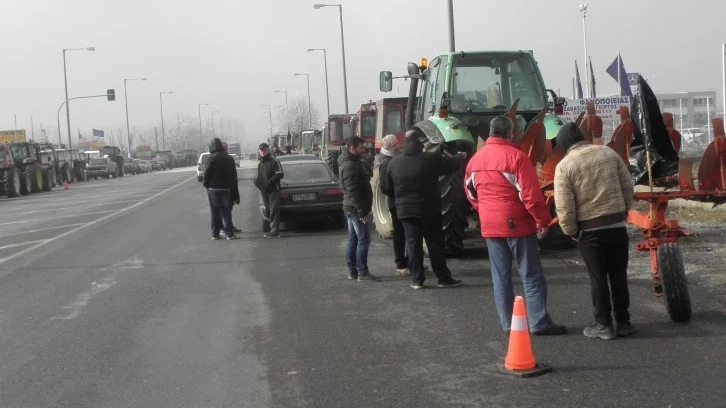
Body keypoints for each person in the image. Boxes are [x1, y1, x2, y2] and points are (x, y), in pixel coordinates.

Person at [465, 116, 565, 335]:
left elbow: (471, 192)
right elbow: (531, 196)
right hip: (517, 224)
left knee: (500, 277)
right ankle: (539, 322)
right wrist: (542, 220)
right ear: (510, 133)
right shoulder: (517, 158)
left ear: (491, 132)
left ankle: (508, 324)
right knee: (531, 275)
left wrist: (485, 211)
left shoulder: (475, 160)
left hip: (490, 225)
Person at [554, 122, 635, 340]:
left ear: (564, 144)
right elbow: (628, 186)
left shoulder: (565, 165)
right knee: (619, 275)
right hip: (617, 226)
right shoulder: (608, 153)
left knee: (598, 278)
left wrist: (570, 230)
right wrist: (624, 211)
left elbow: (564, 204)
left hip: (590, 231)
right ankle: (624, 323)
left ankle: (604, 325)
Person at [384, 130, 464, 289]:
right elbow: (451, 165)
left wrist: (402, 198)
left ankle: (417, 280)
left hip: (406, 212)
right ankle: (443, 278)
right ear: (420, 145)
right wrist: (460, 156)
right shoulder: (430, 159)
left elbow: (386, 188)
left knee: (413, 244)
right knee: (435, 244)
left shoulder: (393, 163)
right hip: (429, 210)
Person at [339, 136, 380, 282]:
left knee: (354, 240)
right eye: (361, 148)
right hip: (355, 209)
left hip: (352, 208)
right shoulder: (349, 166)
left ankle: (353, 272)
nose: (364, 151)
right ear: (352, 148)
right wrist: (362, 211)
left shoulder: (353, 162)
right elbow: (353, 192)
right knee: (363, 239)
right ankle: (362, 272)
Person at [374, 134, 409, 275]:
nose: (398, 146)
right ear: (387, 147)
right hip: (395, 203)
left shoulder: (395, 157)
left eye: (397, 143)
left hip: (403, 201)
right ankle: (401, 263)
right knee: (399, 234)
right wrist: (401, 190)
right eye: (394, 145)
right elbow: (385, 188)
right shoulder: (384, 162)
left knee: (410, 233)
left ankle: (412, 260)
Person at [203, 138, 240, 240]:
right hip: (226, 189)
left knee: (214, 212)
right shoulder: (229, 159)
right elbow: (234, 177)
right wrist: (235, 193)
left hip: (213, 189)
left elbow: (206, 173)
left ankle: (215, 234)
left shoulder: (211, 158)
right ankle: (230, 234)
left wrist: (206, 184)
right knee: (227, 213)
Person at [254, 142, 284, 238]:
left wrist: (270, 181)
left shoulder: (274, 160)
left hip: (273, 190)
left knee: (273, 210)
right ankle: (272, 228)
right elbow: (259, 175)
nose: (262, 151)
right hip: (264, 190)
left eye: (264, 149)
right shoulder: (260, 163)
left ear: (268, 150)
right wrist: (257, 182)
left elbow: (280, 173)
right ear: (259, 151)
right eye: (261, 150)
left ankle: (275, 231)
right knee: (267, 211)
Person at [220, 142, 242, 235]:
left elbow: (233, 176)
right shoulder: (219, 160)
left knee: (229, 209)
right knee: (223, 210)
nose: (227, 150)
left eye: (227, 148)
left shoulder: (229, 159)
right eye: (226, 148)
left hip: (230, 188)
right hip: (223, 189)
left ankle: (229, 226)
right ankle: (222, 228)